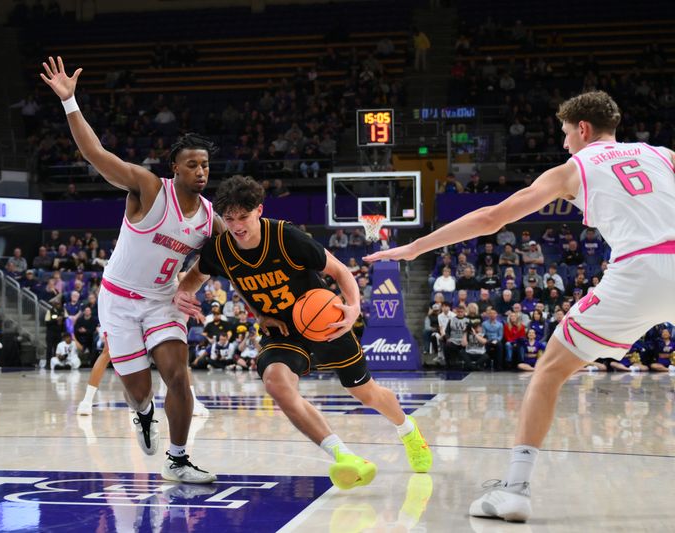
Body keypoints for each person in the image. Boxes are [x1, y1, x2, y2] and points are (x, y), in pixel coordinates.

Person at [365, 90, 675, 522]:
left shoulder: (574, 167)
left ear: (582, 129)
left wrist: (415, 247)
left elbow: (492, 217)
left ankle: (515, 488)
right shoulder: (662, 154)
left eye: (567, 134)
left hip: (639, 269)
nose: (565, 143)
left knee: (548, 371)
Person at [174, 175, 432, 490]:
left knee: (367, 393)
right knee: (276, 384)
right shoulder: (220, 249)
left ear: (259, 210)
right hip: (281, 331)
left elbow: (339, 270)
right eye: (229, 219)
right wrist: (183, 294)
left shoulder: (286, 237)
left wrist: (352, 308)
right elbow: (193, 279)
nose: (237, 224)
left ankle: (408, 430)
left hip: (324, 323)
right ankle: (345, 457)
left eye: (243, 216)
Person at [41, 55, 219, 483]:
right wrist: (69, 102)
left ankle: (177, 460)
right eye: (192, 164)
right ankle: (143, 414)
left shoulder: (210, 217)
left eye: (206, 165)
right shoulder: (148, 188)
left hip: (162, 302)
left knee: (178, 376)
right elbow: (95, 152)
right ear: (175, 166)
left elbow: (214, 261)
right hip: (118, 300)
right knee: (140, 392)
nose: (200, 171)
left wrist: (188, 287)